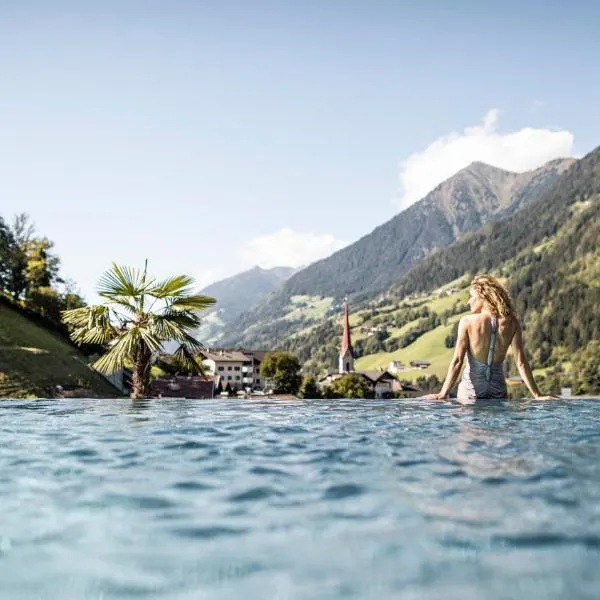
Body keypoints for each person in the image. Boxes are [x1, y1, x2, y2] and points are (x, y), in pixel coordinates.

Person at [424, 275, 555, 403]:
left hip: (470, 393)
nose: (469, 302)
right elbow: (521, 363)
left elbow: (458, 361)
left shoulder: (467, 322)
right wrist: (537, 395)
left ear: (483, 296)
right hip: (498, 393)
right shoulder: (512, 323)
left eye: (472, 297)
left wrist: (443, 393)